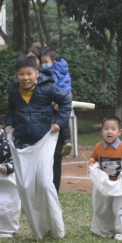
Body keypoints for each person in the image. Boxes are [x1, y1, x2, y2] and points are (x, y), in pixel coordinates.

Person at [4, 54, 71, 240]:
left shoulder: (48, 88)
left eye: (29, 73)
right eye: (21, 74)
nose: (25, 78)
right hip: (22, 144)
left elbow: (66, 101)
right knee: (24, 187)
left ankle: (56, 229)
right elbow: (10, 110)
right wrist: (8, 124)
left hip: (45, 142)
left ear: (37, 73)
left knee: (44, 183)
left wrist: (59, 122)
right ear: (16, 75)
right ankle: (39, 231)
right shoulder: (13, 92)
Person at [87, 115, 122, 240]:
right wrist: (91, 162)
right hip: (104, 185)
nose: (109, 131)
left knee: (120, 207)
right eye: (106, 128)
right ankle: (104, 229)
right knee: (103, 207)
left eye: (113, 129)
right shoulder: (98, 147)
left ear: (119, 131)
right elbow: (93, 157)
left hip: (120, 184)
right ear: (101, 131)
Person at [41, 50, 73, 191]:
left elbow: (60, 85)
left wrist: (58, 99)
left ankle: (66, 140)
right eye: (42, 62)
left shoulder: (55, 72)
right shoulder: (60, 69)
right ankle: (67, 140)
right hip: (60, 98)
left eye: (46, 62)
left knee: (62, 120)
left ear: (53, 61)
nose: (43, 65)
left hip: (60, 98)